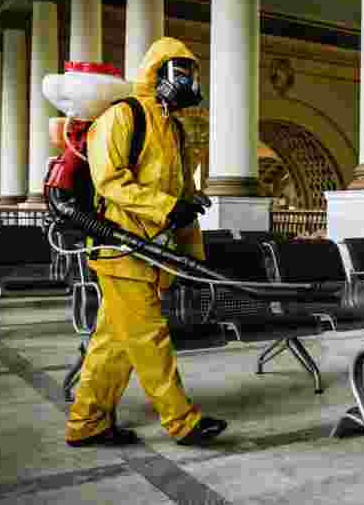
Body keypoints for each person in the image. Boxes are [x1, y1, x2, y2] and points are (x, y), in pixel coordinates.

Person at [65, 37, 228, 447]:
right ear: (158, 73)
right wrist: (166, 206)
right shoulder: (123, 117)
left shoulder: (174, 128)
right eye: (181, 72)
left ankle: (87, 423)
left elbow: (175, 190)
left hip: (153, 251)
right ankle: (182, 421)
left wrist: (189, 211)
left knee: (114, 345)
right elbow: (111, 181)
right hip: (120, 248)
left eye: (193, 73)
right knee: (148, 336)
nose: (189, 81)